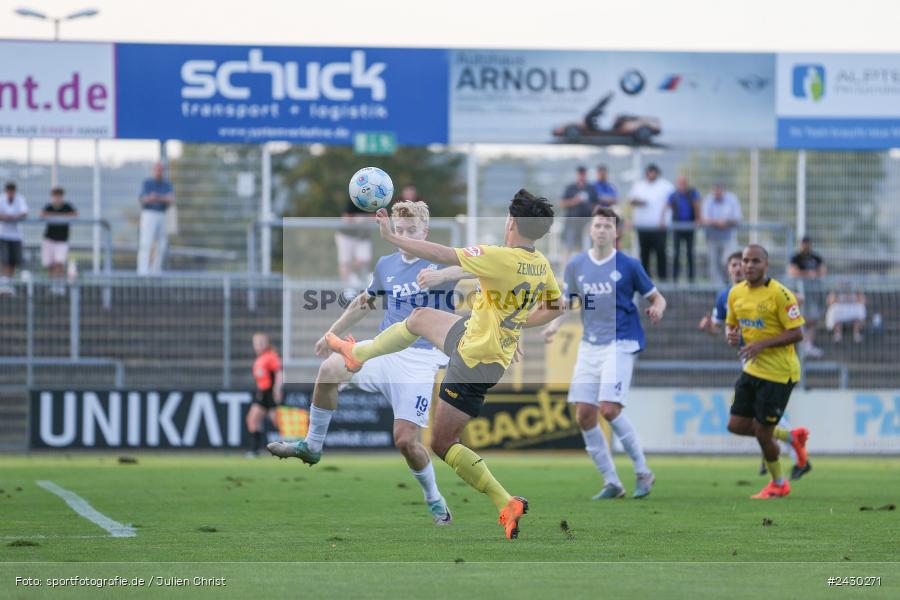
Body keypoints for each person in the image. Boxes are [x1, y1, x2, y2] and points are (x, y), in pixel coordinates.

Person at [321, 189, 562, 540]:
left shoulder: (499, 257)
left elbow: (441, 253)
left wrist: (389, 236)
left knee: (442, 443)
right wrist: (515, 322)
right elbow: (556, 307)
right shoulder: (541, 263)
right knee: (419, 317)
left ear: (511, 222)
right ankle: (356, 355)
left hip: (474, 360)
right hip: (477, 339)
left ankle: (505, 501)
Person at [268, 200, 469, 526]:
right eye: (399, 231)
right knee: (330, 369)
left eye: (411, 231)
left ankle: (434, 498)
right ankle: (312, 446)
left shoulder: (438, 258)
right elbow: (365, 302)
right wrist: (331, 332)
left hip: (419, 358)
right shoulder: (386, 264)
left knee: (405, 441)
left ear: (425, 232)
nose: (404, 236)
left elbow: (479, 265)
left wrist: (443, 274)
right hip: (383, 350)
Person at [542, 207, 666, 499]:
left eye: (607, 227)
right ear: (590, 229)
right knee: (584, 415)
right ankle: (612, 482)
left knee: (609, 409)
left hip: (620, 342)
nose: (601, 230)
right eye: (597, 225)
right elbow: (568, 302)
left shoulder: (629, 265)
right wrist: (554, 326)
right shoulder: (576, 265)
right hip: (590, 345)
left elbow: (657, 297)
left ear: (617, 232)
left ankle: (643, 471)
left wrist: (657, 309)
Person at [700, 251, 811, 480]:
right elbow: (724, 329)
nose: (741, 268)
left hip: (774, 366)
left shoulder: (775, 292)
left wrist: (792, 300)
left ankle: (780, 468)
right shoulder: (727, 296)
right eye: (737, 264)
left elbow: (795, 317)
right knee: (741, 423)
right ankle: (788, 440)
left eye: (751, 262)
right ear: (731, 267)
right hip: (749, 361)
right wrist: (711, 329)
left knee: (764, 424)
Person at [628, 164, 673, 281]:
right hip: (643, 227)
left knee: (661, 254)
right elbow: (631, 201)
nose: (651, 174)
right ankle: (645, 282)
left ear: (657, 173)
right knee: (644, 255)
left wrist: (666, 220)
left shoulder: (666, 186)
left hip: (659, 228)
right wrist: (638, 201)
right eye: (649, 172)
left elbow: (672, 203)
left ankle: (663, 281)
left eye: (653, 172)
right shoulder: (639, 186)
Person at [788, 236, 826, 358]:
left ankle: (808, 345)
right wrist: (808, 274)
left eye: (807, 243)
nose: (805, 245)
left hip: (813, 293)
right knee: (799, 318)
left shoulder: (816, 257)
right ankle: (800, 345)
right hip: (799, 293)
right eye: (803, 243)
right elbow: (792, 272)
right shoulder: (796, 258)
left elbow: (823, 271)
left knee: (813, 319)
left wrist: (813, 275)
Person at [247, 332, 283, 457]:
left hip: (269, 393)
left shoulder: (270, 356)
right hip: (263, 393)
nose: (258, 345)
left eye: (261, 342)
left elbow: (278, 373)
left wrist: (277, 390)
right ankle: (255, 450)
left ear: (267, 343)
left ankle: (255, 450)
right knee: (253, 420)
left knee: (277, 422)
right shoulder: (260, 358)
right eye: (256, 342)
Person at [701, 183, 742, 284]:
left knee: (728, 261)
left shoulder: (732, 199)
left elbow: (737, 218)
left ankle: (730, 284)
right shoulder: (708, 200)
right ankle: (717, 289)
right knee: (713, 264)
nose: (717, 195)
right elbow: (704, 219)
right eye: (715, 192)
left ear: (723, 191)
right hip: (712, 237)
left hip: (728, 238)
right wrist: (718, 222)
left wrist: (726, 222)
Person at [137, 162, 174, 275]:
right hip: (149, 214)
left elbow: (170, 200)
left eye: (161, 170)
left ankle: (156, 271)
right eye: (157, 169)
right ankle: (143, 271)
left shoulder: (167, 184)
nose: (159, 172)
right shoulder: (147, 183)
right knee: (146, 242)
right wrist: (158, 198)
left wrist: (156, 197)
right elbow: (144, 199)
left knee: (161, 244)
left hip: (162, 214)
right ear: (153, 170)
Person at [40, 187, 77, 295]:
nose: (57, 198)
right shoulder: (49, 206)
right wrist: (57, 216)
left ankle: (59, 286)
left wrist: (58, 216)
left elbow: (74, 214)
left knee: (59, 262)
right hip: (49, 239)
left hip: (62, 240)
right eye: (55, 196)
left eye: (59, 196)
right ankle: (52, 286)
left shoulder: (67, 206)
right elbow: (42, 214)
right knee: (50, 264)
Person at [559, 166, 599, 267]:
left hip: (586, 223)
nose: (581, 176)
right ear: (577, 174)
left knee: (585, 247)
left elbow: (597, 204)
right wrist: (575, 201)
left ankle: (584, 269)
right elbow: (562, 203)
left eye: (583, 173)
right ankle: (565, 270)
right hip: (572, 222)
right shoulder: (570, 188)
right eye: (580, 173)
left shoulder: (590, 188)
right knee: (568, 246)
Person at [335, 192, 374, 290]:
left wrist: (367, 219)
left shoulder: (374, 202)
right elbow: (346, 218)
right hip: (346, 235)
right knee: (345, 261)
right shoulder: (354, 201)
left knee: (365, 259)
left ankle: (351, 274)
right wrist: (359, 219)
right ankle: (347, 288)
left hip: (362, 236)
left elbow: (374, 217)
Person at [667, 175, 701, 283]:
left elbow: (697, 205)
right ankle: (675, 279)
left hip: (689, 228)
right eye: (680, 183)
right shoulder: (674, 195)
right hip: (677, 228)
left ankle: (691, 280)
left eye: (684, 182)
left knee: (690, 253)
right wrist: (662, 220)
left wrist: (697, 219)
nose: (682, 185)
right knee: (676, 253)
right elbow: (666, 206)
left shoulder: (692, 193)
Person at [0, 182, 28, 295]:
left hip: (16, 236)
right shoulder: (1, 199)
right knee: (5, 260)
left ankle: (8, 284)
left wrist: (14, 217)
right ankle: (4, 284)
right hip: (3, 235)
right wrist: (6, 217)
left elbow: (24, 213)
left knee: (13, 261)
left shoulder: (20, 199)